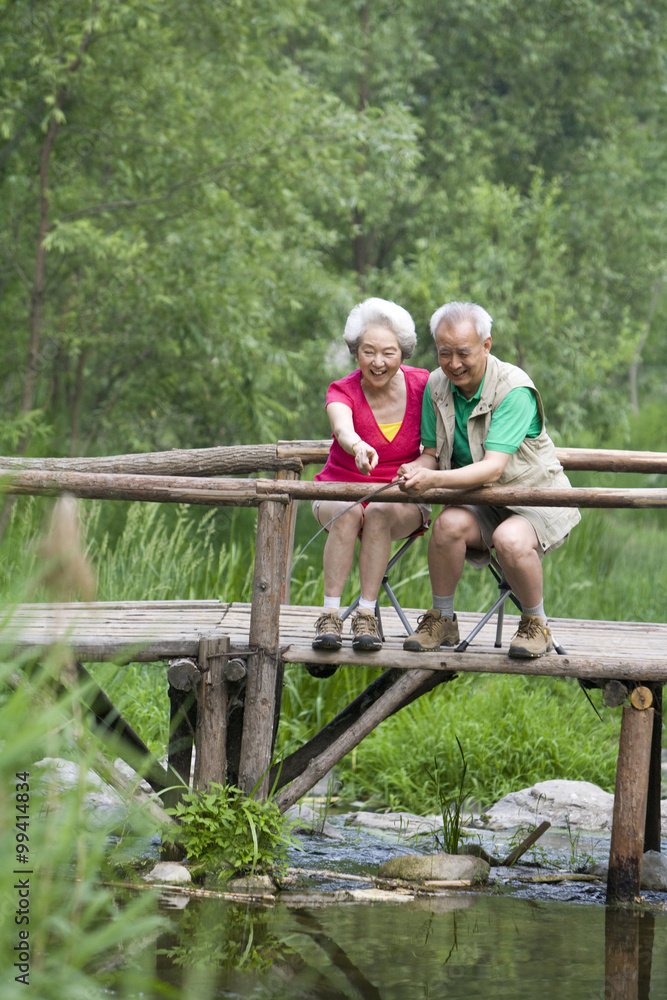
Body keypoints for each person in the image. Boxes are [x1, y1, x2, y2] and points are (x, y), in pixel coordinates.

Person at [398, 301, 580, 659]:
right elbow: (430, 451)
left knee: (509, 539)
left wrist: (432, 480)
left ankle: (536, 624)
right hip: (483, 502)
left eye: (463, 353)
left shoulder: (514, 389)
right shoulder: (436, 385)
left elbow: (493, 468)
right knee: (447, 525)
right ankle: (443, 619)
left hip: (535, 498)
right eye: (443, 353)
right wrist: (416, 469)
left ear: (486, 345)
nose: (453, 363)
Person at [312, 297, 431, 653]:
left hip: (400, 498)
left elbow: (434, 452)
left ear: (403, 353)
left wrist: (418, 470)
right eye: (368, 352)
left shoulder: (424, 386)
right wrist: (358, 447)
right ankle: (330, 616)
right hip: (339, 490)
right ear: (355, 352)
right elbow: (343, 427)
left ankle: (367, 615)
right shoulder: (342, 390)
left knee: (376, 512)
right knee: (351, 509)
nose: (377, 362)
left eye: (388, 353)